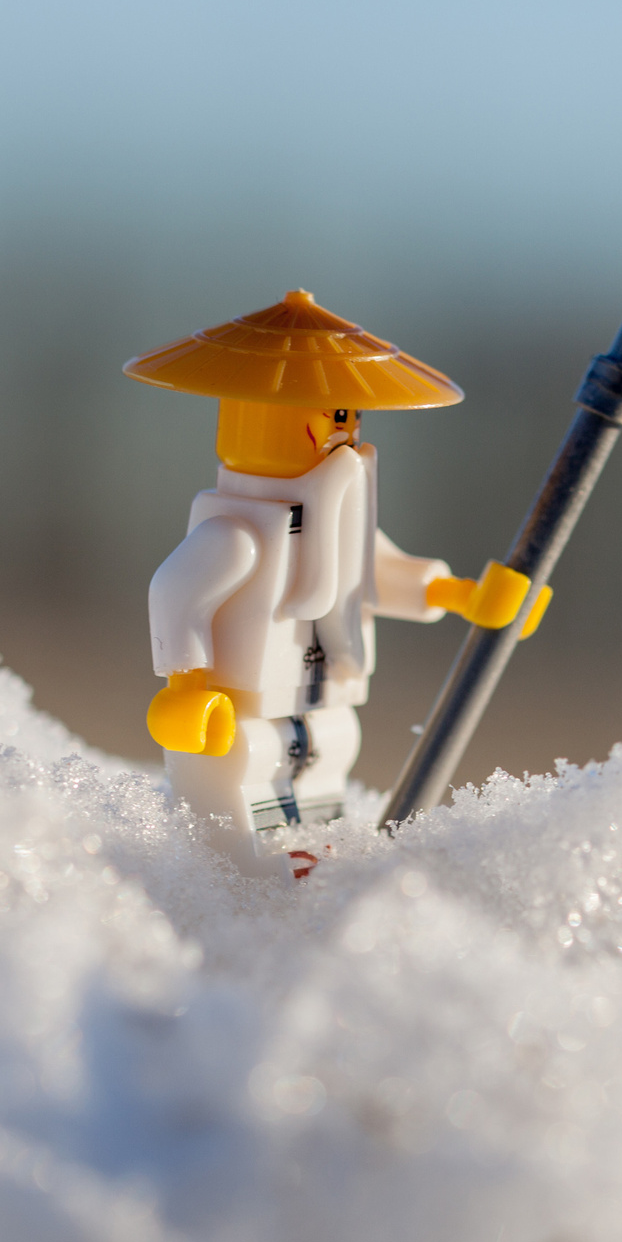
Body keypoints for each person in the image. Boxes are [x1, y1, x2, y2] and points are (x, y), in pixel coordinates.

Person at [126, 290, 546, 874]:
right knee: (240, 784)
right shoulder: (236, 534)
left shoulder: (339, 527)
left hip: (323, 703)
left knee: (325, 779)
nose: (343, 434)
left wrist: (464, 597)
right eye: (330, 415)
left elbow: (380, 573)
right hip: (236, 716)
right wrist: (184, 687)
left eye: (349, 416)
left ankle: (320, 871)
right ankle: (238, 887)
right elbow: (175, 594)